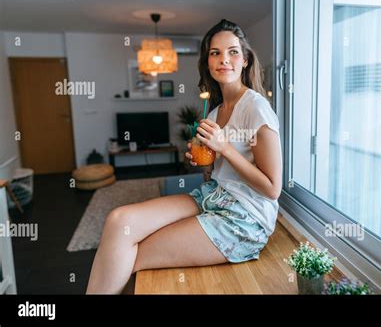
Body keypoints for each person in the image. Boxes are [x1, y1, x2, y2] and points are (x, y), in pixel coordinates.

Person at [86, 19, 282, 294]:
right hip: (212, 195)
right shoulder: (214, 113)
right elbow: (215, 175)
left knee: (130, 255)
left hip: (245, 219)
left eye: (233, 52)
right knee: (120, 221)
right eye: (215, 53)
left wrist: (224, 147)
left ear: (246, 60)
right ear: (208, 62)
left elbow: (273, 189)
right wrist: (205, 162)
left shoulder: (256, 107)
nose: (224, 59)